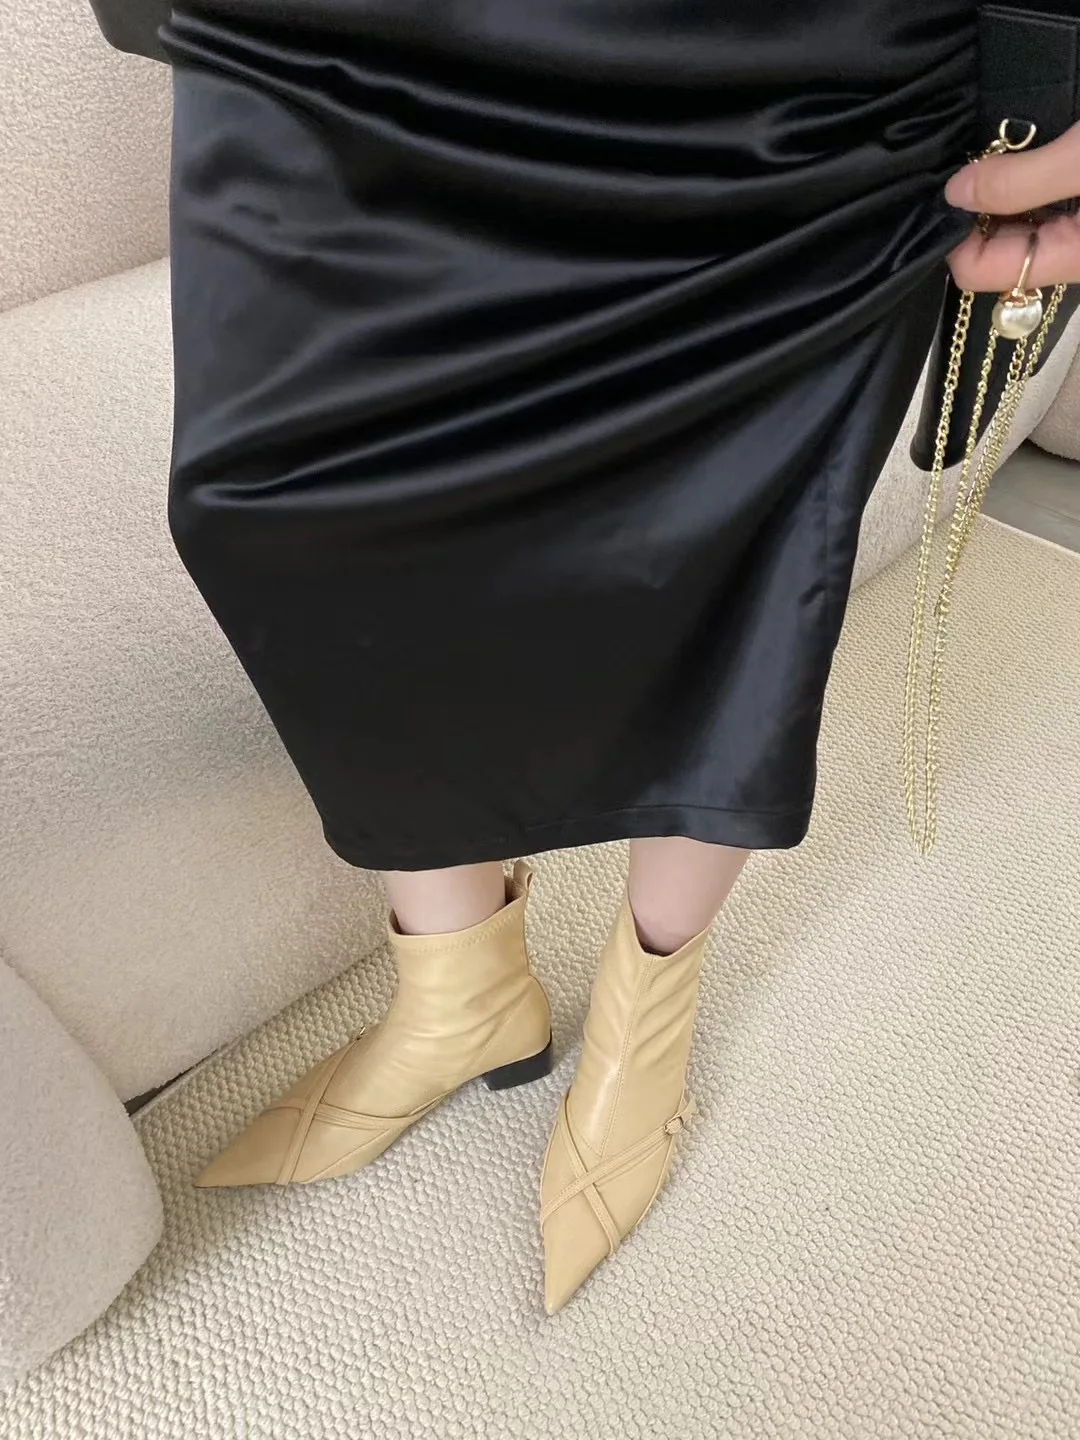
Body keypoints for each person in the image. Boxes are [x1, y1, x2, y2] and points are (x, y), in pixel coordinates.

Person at [154, 2, 1080, 1315]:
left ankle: (648, 1013)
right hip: (329, 36)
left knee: (737, 542)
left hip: (779, 71)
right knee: (275, 507)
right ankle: (459, 994)